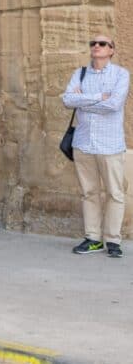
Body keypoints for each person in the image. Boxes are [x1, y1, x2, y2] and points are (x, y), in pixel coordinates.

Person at [62, 35, 130, 258]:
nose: (96, 46)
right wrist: (99, 97)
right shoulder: (79, 73)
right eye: (93, 43)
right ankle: (93, 238)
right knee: (89, 193)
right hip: (83, 144)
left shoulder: (121, 74)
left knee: (115, 193)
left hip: (110, 144)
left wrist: (84, 100)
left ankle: (113, 240)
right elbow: (67, 100)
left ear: (112, 50)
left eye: (102, 44)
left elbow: (114, 104)